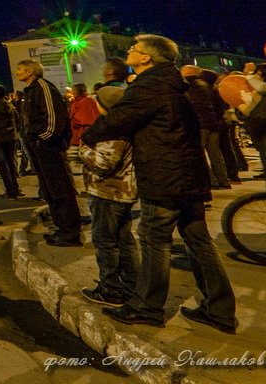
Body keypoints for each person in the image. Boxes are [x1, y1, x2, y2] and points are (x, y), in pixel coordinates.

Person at [83, 35, 237, 334]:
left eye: (134, 49)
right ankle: (219, 310)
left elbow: (117, 120)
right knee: (199, 243)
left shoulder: (148, 86)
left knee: (154, 241)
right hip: (189, 174)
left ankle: (146, 306)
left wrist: (89, 136)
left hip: (165, 176)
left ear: (146, 58)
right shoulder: (176, 84)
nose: (129, 51)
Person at [78, 86, 139, 308]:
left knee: (106, 242)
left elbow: (104, 164)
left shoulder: (113, 130)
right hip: (122, 190)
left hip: (108, 191)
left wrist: (83, 150)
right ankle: (132, 285)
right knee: (124, 240)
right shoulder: (126, 125)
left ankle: (110, 289)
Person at [15, 59, 82, 246]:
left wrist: (43, 140)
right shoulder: (30, 90)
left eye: (20, 69)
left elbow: (53, 118)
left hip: (48, 148)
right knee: (49, 189)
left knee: (59, 187)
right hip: (38, 148)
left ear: (30, 71)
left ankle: (70, 232)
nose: (17, 72)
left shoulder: (43, 87)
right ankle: (60, 227)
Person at [179, 66, 230, 190]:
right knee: (215, 154)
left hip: (199, 124)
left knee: (199, 153)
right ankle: (223, 180)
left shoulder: (186, 85)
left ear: (187, 73)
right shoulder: (206, 85)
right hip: (212, 122)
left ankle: (211, 181)